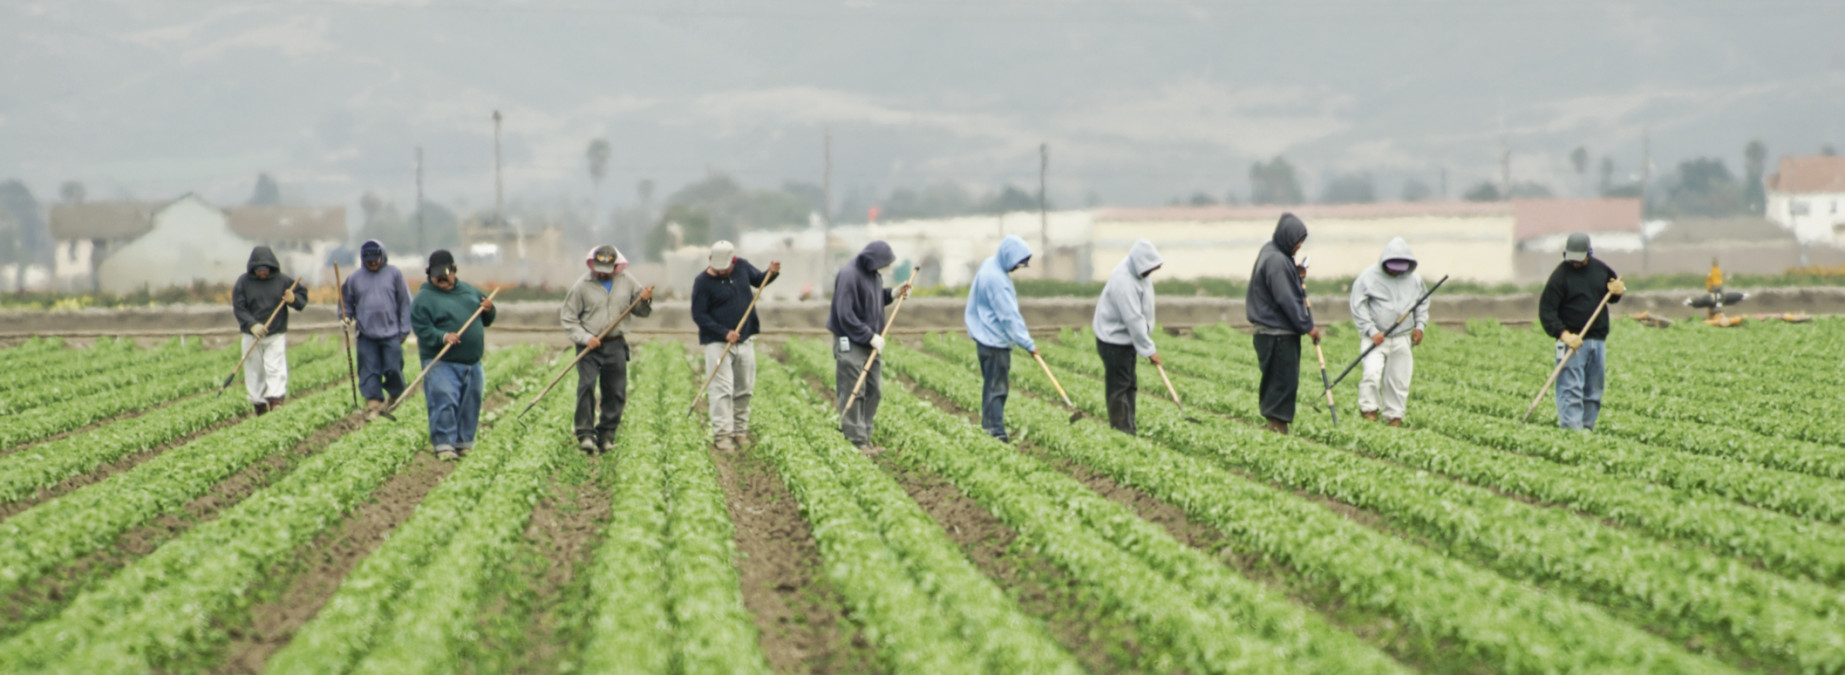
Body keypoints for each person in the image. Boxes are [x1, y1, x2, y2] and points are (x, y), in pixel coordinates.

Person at [561, 245, 653, 455]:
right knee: (586, 387)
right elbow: (568, 319)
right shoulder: (581, 286)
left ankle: (606, 436)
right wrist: (586, 338)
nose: (602, 272)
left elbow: (641, 311)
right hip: (590, 346)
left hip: (616, 343)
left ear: (616, 265)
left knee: (615, 391)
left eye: (607, 268)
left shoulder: (628, 281)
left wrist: (645, 299)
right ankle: (585, 434)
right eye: (599, 267)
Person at [690, 241, 779, 452]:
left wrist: (772, 273)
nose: (722, 271)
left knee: (744, 388)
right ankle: (722, 436)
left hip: (745, 339)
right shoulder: (702, 282)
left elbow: (760, 280)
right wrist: (724, 332)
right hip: (718, 343)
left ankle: (740, 432)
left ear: (733, 260)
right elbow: (699, 315)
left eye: (726, 267)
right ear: (710, 260)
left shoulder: (742, 267)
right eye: (719, 268)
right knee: (722, 390)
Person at [410, 250, 496, 461]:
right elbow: (422, 329)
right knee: (444, 400)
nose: (442, 278)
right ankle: (444, 444)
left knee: (470, 402)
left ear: (454, 271)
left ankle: (463, 443)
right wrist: (443, 336)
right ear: (429, 274)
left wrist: (489, 310)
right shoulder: (423, 299)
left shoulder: (469, 292)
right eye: (437, 275)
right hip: (441, 362)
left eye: (446, 274)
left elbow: (486, 320)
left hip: (472, 363)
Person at [828, 241, 910, 452]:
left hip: (870, 342)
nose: (887, 268)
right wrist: (869, 336)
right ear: (873, 260)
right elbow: (845, 314)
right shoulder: (849, 275)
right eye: (885, 264)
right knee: (854, 391)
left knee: (874, 390)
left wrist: (892, 293)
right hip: (852, 342)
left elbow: (871, 301)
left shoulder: (873, 274)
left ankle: (864, 436)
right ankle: (856, 441)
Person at [1538, 233, 1624, 431]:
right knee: (1570, 389)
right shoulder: (1560, 276)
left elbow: (1611, 295)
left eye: (1580, 259)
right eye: (1572, 259)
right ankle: (1571, 432)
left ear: (1589, 254)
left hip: (1597, 340)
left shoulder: (1601, 270)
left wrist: (1617, 291)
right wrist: (1564, 335)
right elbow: (1547, 311)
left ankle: (1586, 430)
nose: (1575, 263)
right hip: (1572, 342)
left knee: (1593, 391)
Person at [1245, 213, 1320, 434]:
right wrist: (1308, 327)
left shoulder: (1272, 252)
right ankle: (1277, 428)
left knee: (1275, 381)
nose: (1299, 246)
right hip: (1277, 333)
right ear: (1287, 237)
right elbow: (1287, 299)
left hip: (1269, 332)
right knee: (1282, 381)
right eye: (1298, 240)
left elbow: (1282, 285)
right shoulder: (1277, 260)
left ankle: (1275, 427)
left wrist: (1295, 275)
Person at [1349, 237, 1428, 427]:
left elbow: (1422, 302)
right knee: (1371, 373)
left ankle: (1394, 417)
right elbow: (1358, 306)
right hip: (1376, 338)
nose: (1395, 271)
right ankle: (1369, 412)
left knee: (1399, 379)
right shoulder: (1368, 277)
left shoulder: (1415, 280)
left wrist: (1420, 326)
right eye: (1392, 266)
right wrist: (1371, 330)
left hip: (1402, 336)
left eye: (1400, 267)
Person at [964, 235, 1036, 442]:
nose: (1016, 268)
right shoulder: (997, 282)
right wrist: (1028, 344)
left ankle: (988, 428)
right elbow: (1009, 317)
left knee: (991, 386)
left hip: (984, 338)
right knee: (997, 388)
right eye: (1016, 263)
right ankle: (995, 431)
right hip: (995, 341)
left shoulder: (989, 264)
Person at [1092, 239, 1164, 435]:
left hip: (1127, 340)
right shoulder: (1123, 280)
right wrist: (1149, 350)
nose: (1150, 272)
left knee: (1129, 384)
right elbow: (1133, 319)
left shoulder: (1140, 272)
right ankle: (1121, 431)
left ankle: (1128, 426)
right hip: (1113, 340)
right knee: (1120, 386)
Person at [231, 246, 309, 416]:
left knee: (275, 367)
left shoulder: (282, 281)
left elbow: (302, 300)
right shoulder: (243, 283)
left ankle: (276, 401)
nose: (263, 273)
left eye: (265, 269)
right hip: (252, 335)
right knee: (254, 370)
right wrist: (252, 325)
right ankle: (259, 405)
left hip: (275, 334)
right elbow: (239, 308)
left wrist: (293, 298)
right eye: (259, 270)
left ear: (271, 267)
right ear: (253, 269)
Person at [340, 239, 413, 419]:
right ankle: (373, 406)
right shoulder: (355, 278)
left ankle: (395, 396)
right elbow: (345, 303)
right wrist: (346, 317)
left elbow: (405, 303)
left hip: (392, 334)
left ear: (382, 256)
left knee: (393, 367)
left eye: (375, 259)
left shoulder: (394, 274)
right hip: (366, 334)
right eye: (368, 260)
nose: (372, 263)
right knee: (368, 369)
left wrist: (404, 330)